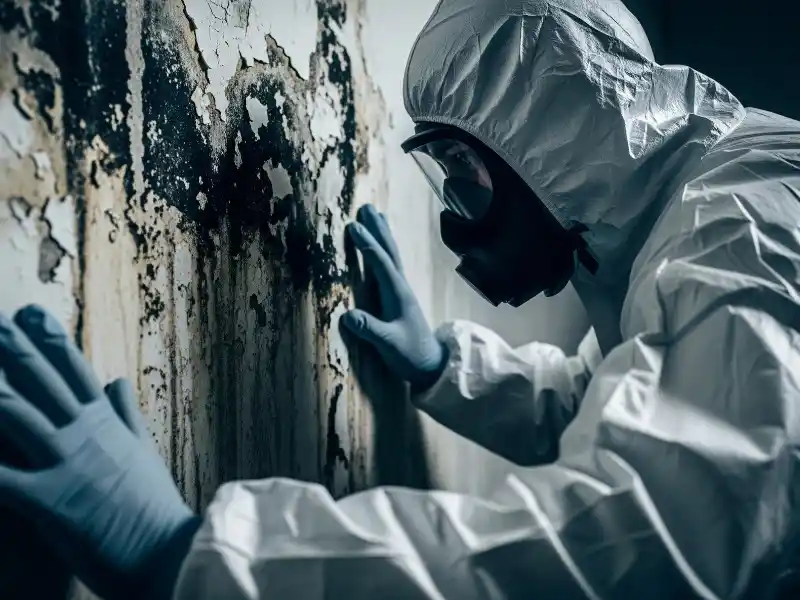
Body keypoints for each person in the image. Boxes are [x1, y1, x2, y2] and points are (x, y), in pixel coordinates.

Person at [1, 0, 800, 598]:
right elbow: (621, 402)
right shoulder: (692, 207)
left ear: (558, 139)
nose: (457, 221)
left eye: (468, 175)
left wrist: (192, 557)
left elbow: (652, 541)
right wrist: (448, 365)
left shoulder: (736, 239)